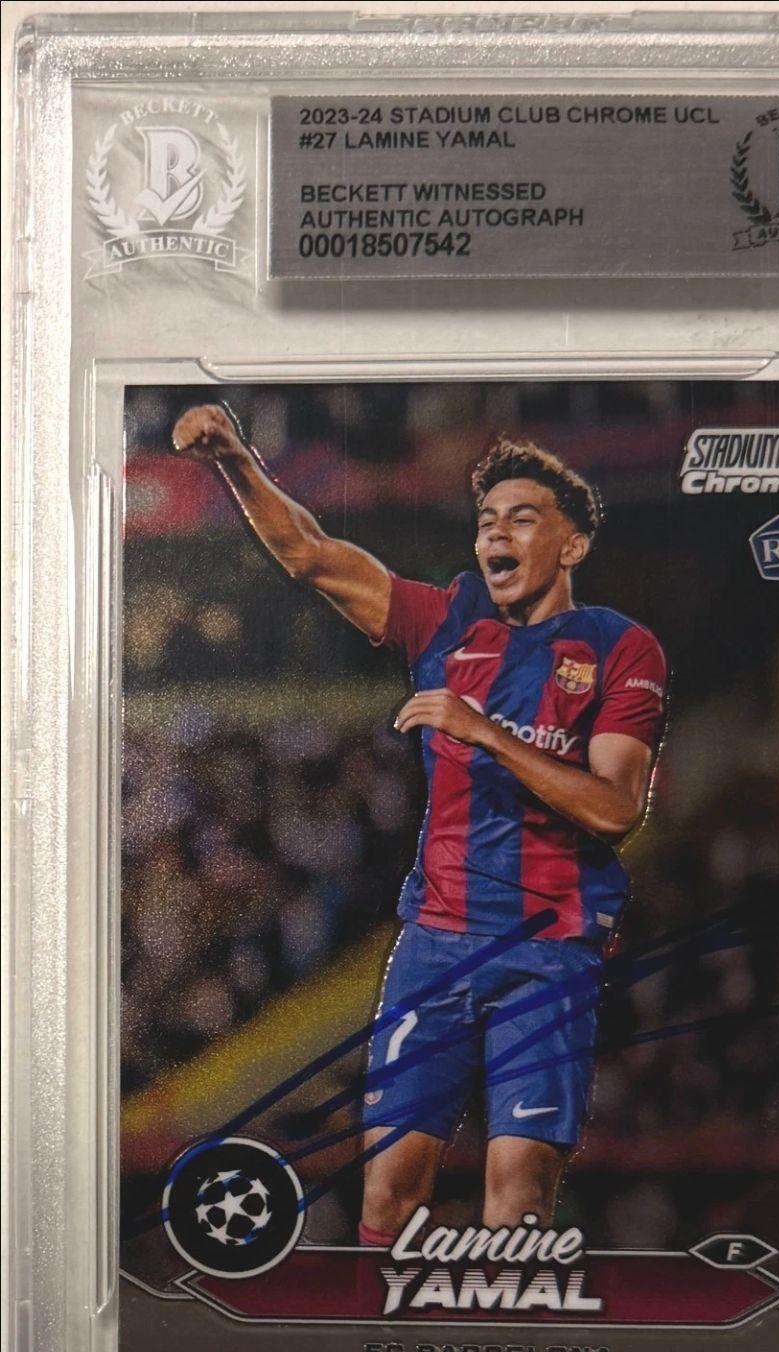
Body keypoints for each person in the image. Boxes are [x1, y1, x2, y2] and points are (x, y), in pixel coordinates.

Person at [173, 402, 667, 1241]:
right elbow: (310, 553)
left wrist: (486, 733)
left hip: (548, 954)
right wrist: (234, 459)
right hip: (434, 947)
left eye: (522, 517)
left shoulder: (620, 650)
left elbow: (615, 808)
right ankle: (390, 1323)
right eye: (486, 520)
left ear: (573, 544)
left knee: (518, 1189)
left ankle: (505, 1325)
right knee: (387, 1192)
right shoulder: (446, 621)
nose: (496, 533)